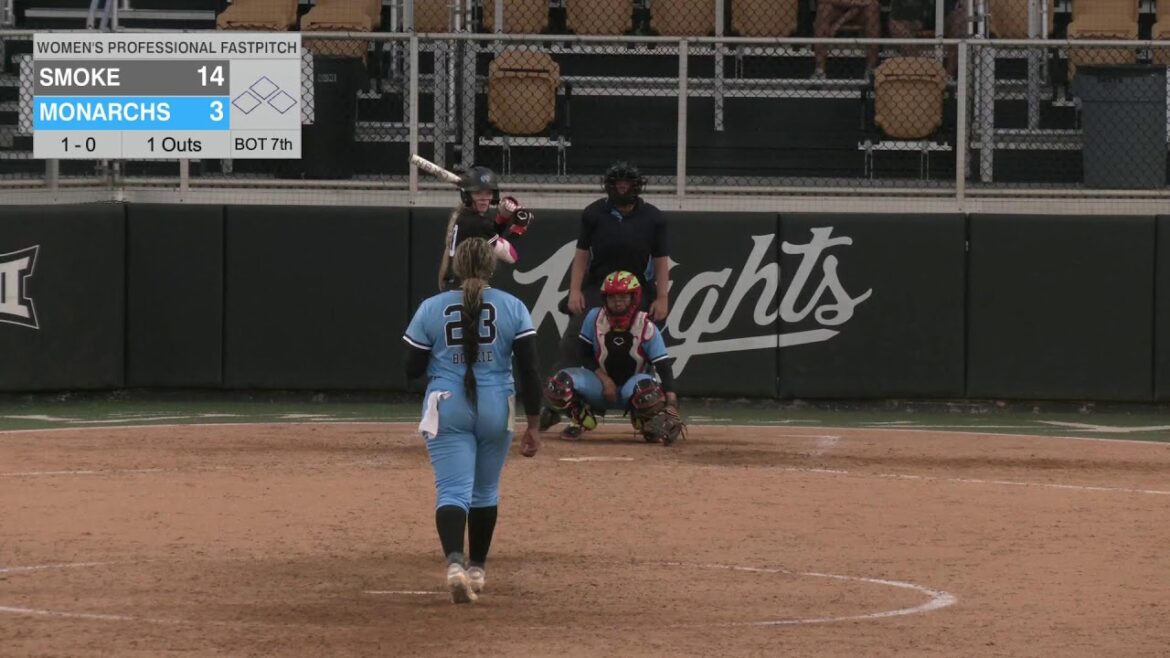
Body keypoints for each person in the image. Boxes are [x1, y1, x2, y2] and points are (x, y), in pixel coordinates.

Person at [403, 237, 543, 604]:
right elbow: (529, 370)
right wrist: (535, 423)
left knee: (452, 491)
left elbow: (411, 369)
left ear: (456, 266)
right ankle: (478, 569)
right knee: (485, 491)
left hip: (448, 402)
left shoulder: (431, 307)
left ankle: (454, 564)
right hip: (497, 403)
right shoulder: (513, 306)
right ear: (491, 267)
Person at [541, 161, 671, 430]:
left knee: (645, 341)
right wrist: (575, 290)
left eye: (627, 183)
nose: (622, 188)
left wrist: (662, 297)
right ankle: (558, 406)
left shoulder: (653, 217)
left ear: (636, 187)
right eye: (617, 183)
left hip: (636, 290)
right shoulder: (594, 213)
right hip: (599, 287)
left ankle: (649, 407)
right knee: (574, 339)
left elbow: (660, 259)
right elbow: (582, 254)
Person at [544, 271, 685, 445]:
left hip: (632, 387)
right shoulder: (594, 318)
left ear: (634, 298)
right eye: (612, 297)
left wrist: (672, 403)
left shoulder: (646, 326)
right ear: (604, 299)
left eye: (623, 297)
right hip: (598, 385)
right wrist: (605, 380)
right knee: (558, 384)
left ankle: (644, 421)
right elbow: (583, 354)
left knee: (650, 392)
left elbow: (663, 367)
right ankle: (581, 419)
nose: (617, 302)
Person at [437, 165, 534, 291]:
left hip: (456, 285)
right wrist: (518, 229)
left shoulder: (463, 216)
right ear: (467, 195)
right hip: (465, 291)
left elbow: (489, 236)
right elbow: (511, 256)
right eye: (477, 193)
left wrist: (502, 218)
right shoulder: (477, 223)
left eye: (488, 192)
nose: (484, 199)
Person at [887, 0, 968, 78]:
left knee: (960, 19)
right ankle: (921, 74)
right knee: (896, 25)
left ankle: (948, 77)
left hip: (944, 15)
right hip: (911, 15)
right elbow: (895, 18)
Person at [812, 0, 881, 80]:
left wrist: (838, 23)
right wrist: (853, 2)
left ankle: (870, 70)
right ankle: (819, 71)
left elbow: (867, 2)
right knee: (823, 9)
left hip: (859, 10)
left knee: (873, 7)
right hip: (836, 7)